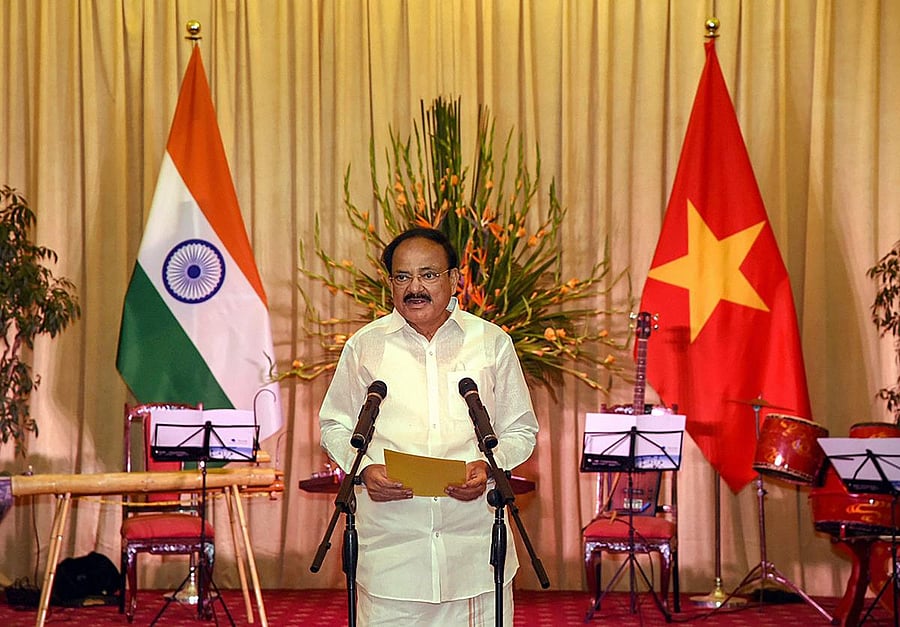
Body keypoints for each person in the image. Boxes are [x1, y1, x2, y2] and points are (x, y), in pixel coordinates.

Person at [319, 227, 539, 626]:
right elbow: (334, 425)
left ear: (455, 279)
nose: (414, 287)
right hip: (392, 556)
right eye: (402, 277)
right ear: (390, 284)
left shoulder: (490, 342)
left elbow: (521, 430)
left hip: (473, 554)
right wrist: (365, 469)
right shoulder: (365, 346)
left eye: (428, 275)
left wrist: (490, 466)